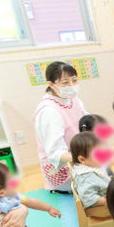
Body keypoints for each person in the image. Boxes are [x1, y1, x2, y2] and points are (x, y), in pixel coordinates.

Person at [33, 61, 88, 193]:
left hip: (81, 157)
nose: (72, 86)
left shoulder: (73, 99)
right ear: (51, 85)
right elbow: (56, 154)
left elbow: (88, 123)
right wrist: (90, 158)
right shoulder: (49, 111)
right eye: (65, 82)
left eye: (74, 80)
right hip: (62, 170)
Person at [70, 132, 111, 218]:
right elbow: (88, 198)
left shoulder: (83, 166)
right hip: (102, 206)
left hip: (106, 191)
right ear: (82, 159)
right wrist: (107, 202)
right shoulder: (87, 177)